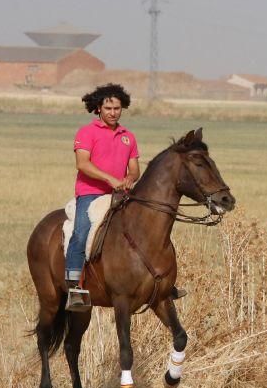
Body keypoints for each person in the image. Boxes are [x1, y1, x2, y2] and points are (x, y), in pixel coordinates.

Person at [64, 85, 188, 312]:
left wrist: (130, 178)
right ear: (98, 108)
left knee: (151, 230)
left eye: (117, 108)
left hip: (121, 194)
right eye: (108, 108)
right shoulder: (87, 132)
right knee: (81, 232)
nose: (113, 112)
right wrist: (111, 179)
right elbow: (82, 164)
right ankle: (75, 286)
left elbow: (134, 170)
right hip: (90, 194)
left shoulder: (128, 137)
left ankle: (164, 283)